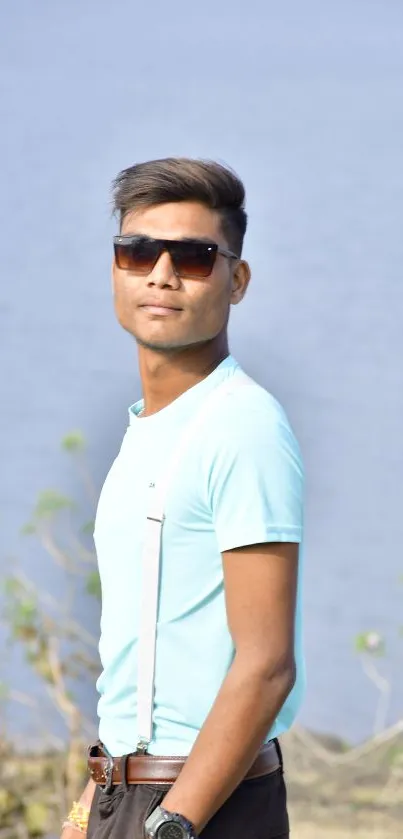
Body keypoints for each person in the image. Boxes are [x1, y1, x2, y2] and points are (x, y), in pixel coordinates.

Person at [61, 157, 305, 839]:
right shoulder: (148, 428)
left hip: (198, 804)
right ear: (117, 269)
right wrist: (88, 808)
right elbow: (144, 662)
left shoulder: (243, 426)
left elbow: (266, 663)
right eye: (138, 252)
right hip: (126, 794)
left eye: (194, 257)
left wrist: (174, 821)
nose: (161, 274)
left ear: (237, 280)